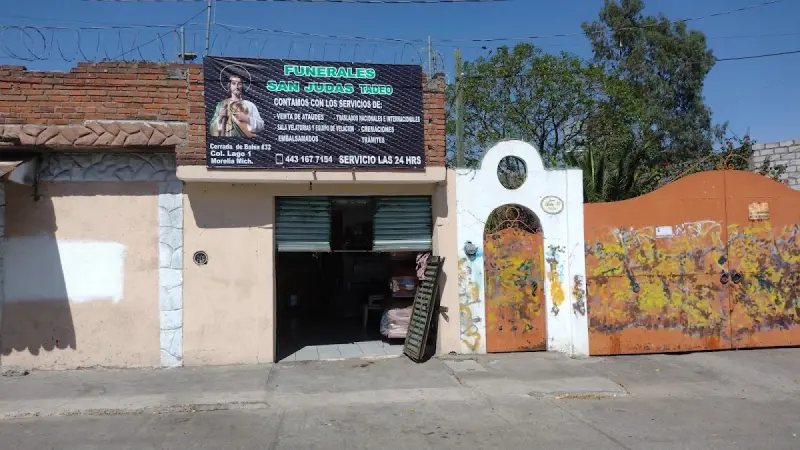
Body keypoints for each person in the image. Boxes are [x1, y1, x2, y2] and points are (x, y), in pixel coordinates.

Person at [210, 71, 264, 137]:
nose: (237, 86)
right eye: (234, 83)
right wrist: (220, 118)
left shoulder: (250, 105)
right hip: (226, 144)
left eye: (239, 84)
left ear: (242, 86)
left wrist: (247, 119)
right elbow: (211, 129)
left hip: (246, 144)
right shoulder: (222, 105)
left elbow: (261, 126)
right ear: (229, 86)